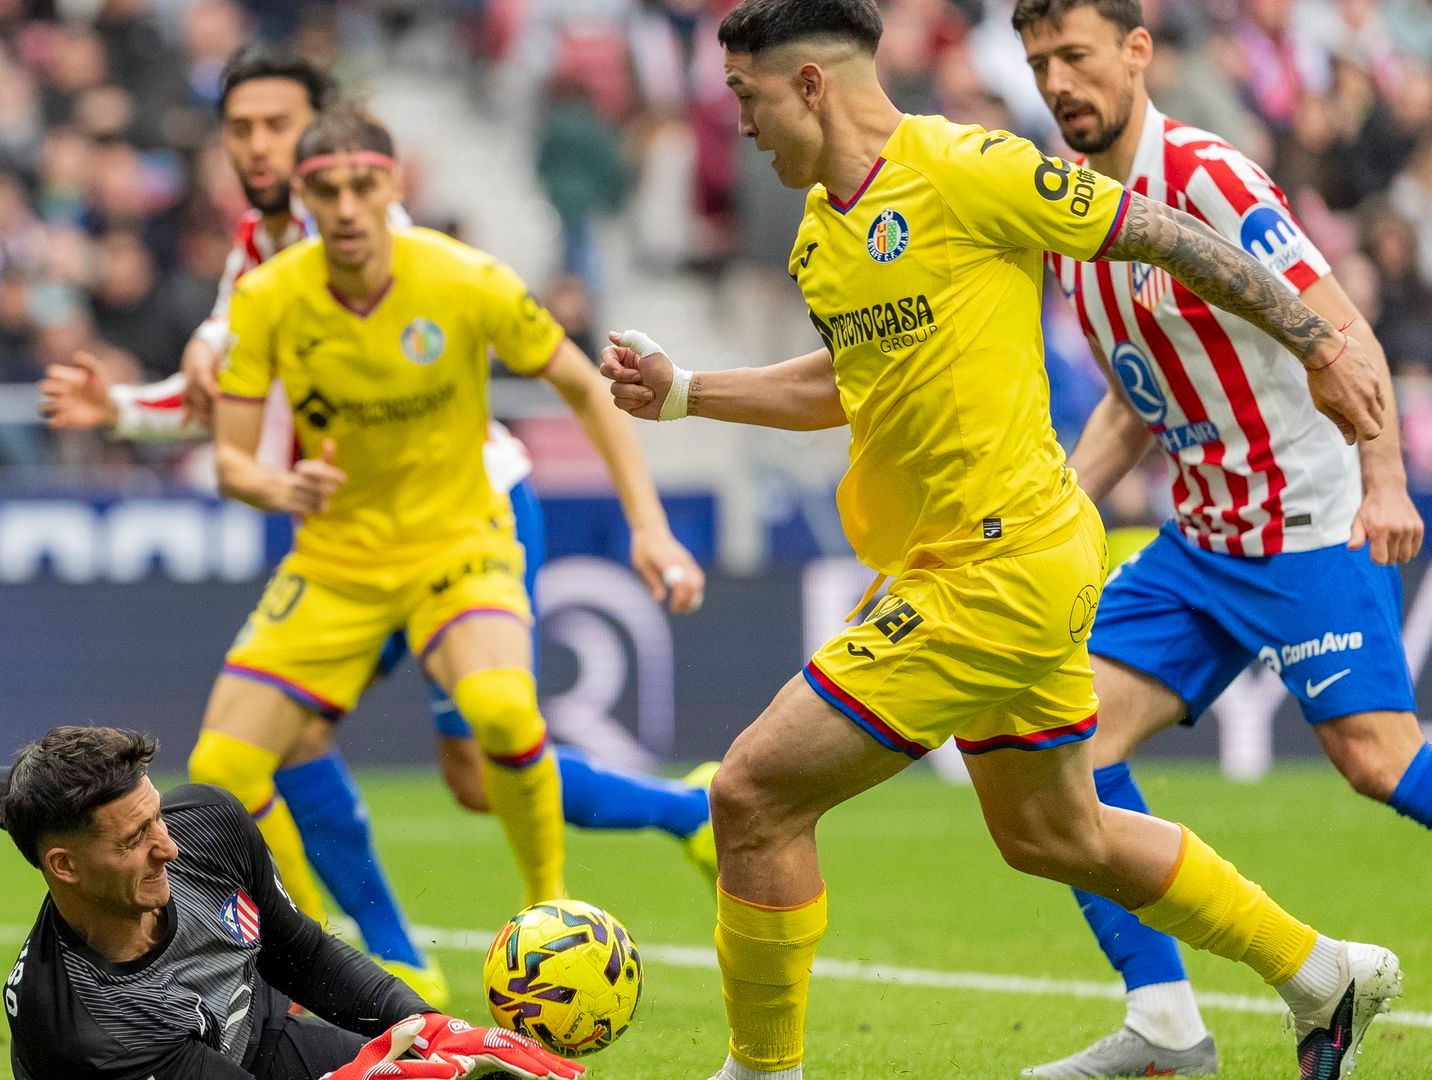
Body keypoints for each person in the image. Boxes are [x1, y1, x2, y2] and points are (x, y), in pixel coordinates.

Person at [596, 1, 1399, 1078]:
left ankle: (763, 1070)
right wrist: (690, 394)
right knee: (1054, 836)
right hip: (967, 564)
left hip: (999, 567)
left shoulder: (971, 166)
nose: (739, 125)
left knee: (749, 794)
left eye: (746, 98)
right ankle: (1321, 974)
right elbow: (846, 383)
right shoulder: (823, 229)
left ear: (811, 85)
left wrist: (1319, 341)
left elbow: (1166, 234)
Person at [0, 47, 713, 1007]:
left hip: (467, 509)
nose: (258, 145)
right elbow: (221, 400)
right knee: (280, 747)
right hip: (340, 524)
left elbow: (283, 369)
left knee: (479, 763)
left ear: (327, 136)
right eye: (241, 129)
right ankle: (368, 960)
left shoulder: (374, 238)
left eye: (279, 125)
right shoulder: (260, 264)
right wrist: (132, 412)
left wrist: (162, 406)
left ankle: (670, 824)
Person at [1009, 0, 1432, 1074]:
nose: (1058, 82)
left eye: (1076, 55)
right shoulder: (1073, 221)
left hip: (1308, 523)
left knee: (1376, 760)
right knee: (1061, 750)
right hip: (1202, 537)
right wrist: (1048, 519)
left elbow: (1342, 326)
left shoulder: (1206, 177)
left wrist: (1384, 481)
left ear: (1137, 52)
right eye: (1038, 61)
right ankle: (1162, 1026)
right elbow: (1127, 405)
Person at [0, 718, 584, 1080]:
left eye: (156, 817)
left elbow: (299, 953)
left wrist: (425, 1022)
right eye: (135, 838)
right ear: (64, 867)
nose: (166, 847)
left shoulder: (206, 825)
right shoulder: (84, 1026)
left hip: (263, 1036)